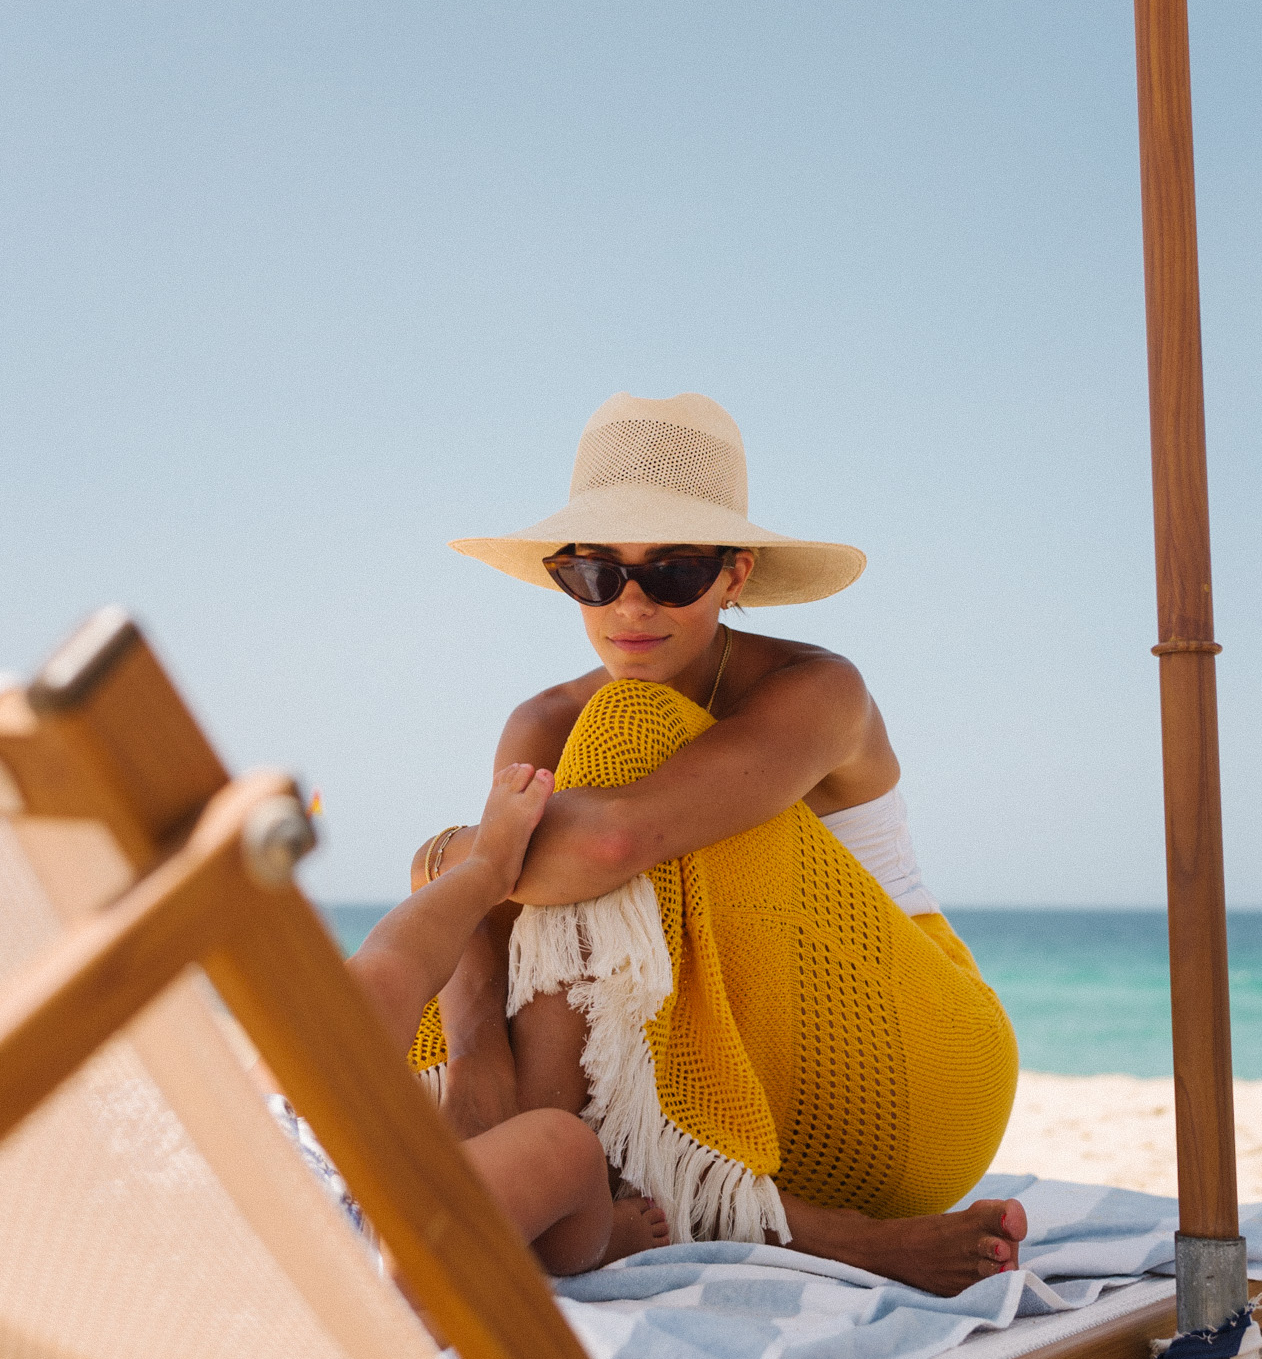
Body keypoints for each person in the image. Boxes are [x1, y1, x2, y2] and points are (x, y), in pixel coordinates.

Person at [408, 392, 1023, 1295]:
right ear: (563, 580)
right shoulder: (542, 720)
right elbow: (498, 901)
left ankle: (543, 1185)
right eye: (595, 574)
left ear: (735, 577)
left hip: (912, 1071)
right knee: (517, 901)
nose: (630, 603)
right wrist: (472, 1054)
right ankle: (598, 1193)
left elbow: (610, 844)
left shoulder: (818, 690)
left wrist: (432, 854)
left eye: (675, 570)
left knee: (627, 746)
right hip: (731, 1105)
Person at [349, 759, 670, 1275]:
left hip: (262, 1181)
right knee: (566, 1148)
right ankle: (580, 1243)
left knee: (348, 1012)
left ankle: (486, 877)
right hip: (381, 1254)